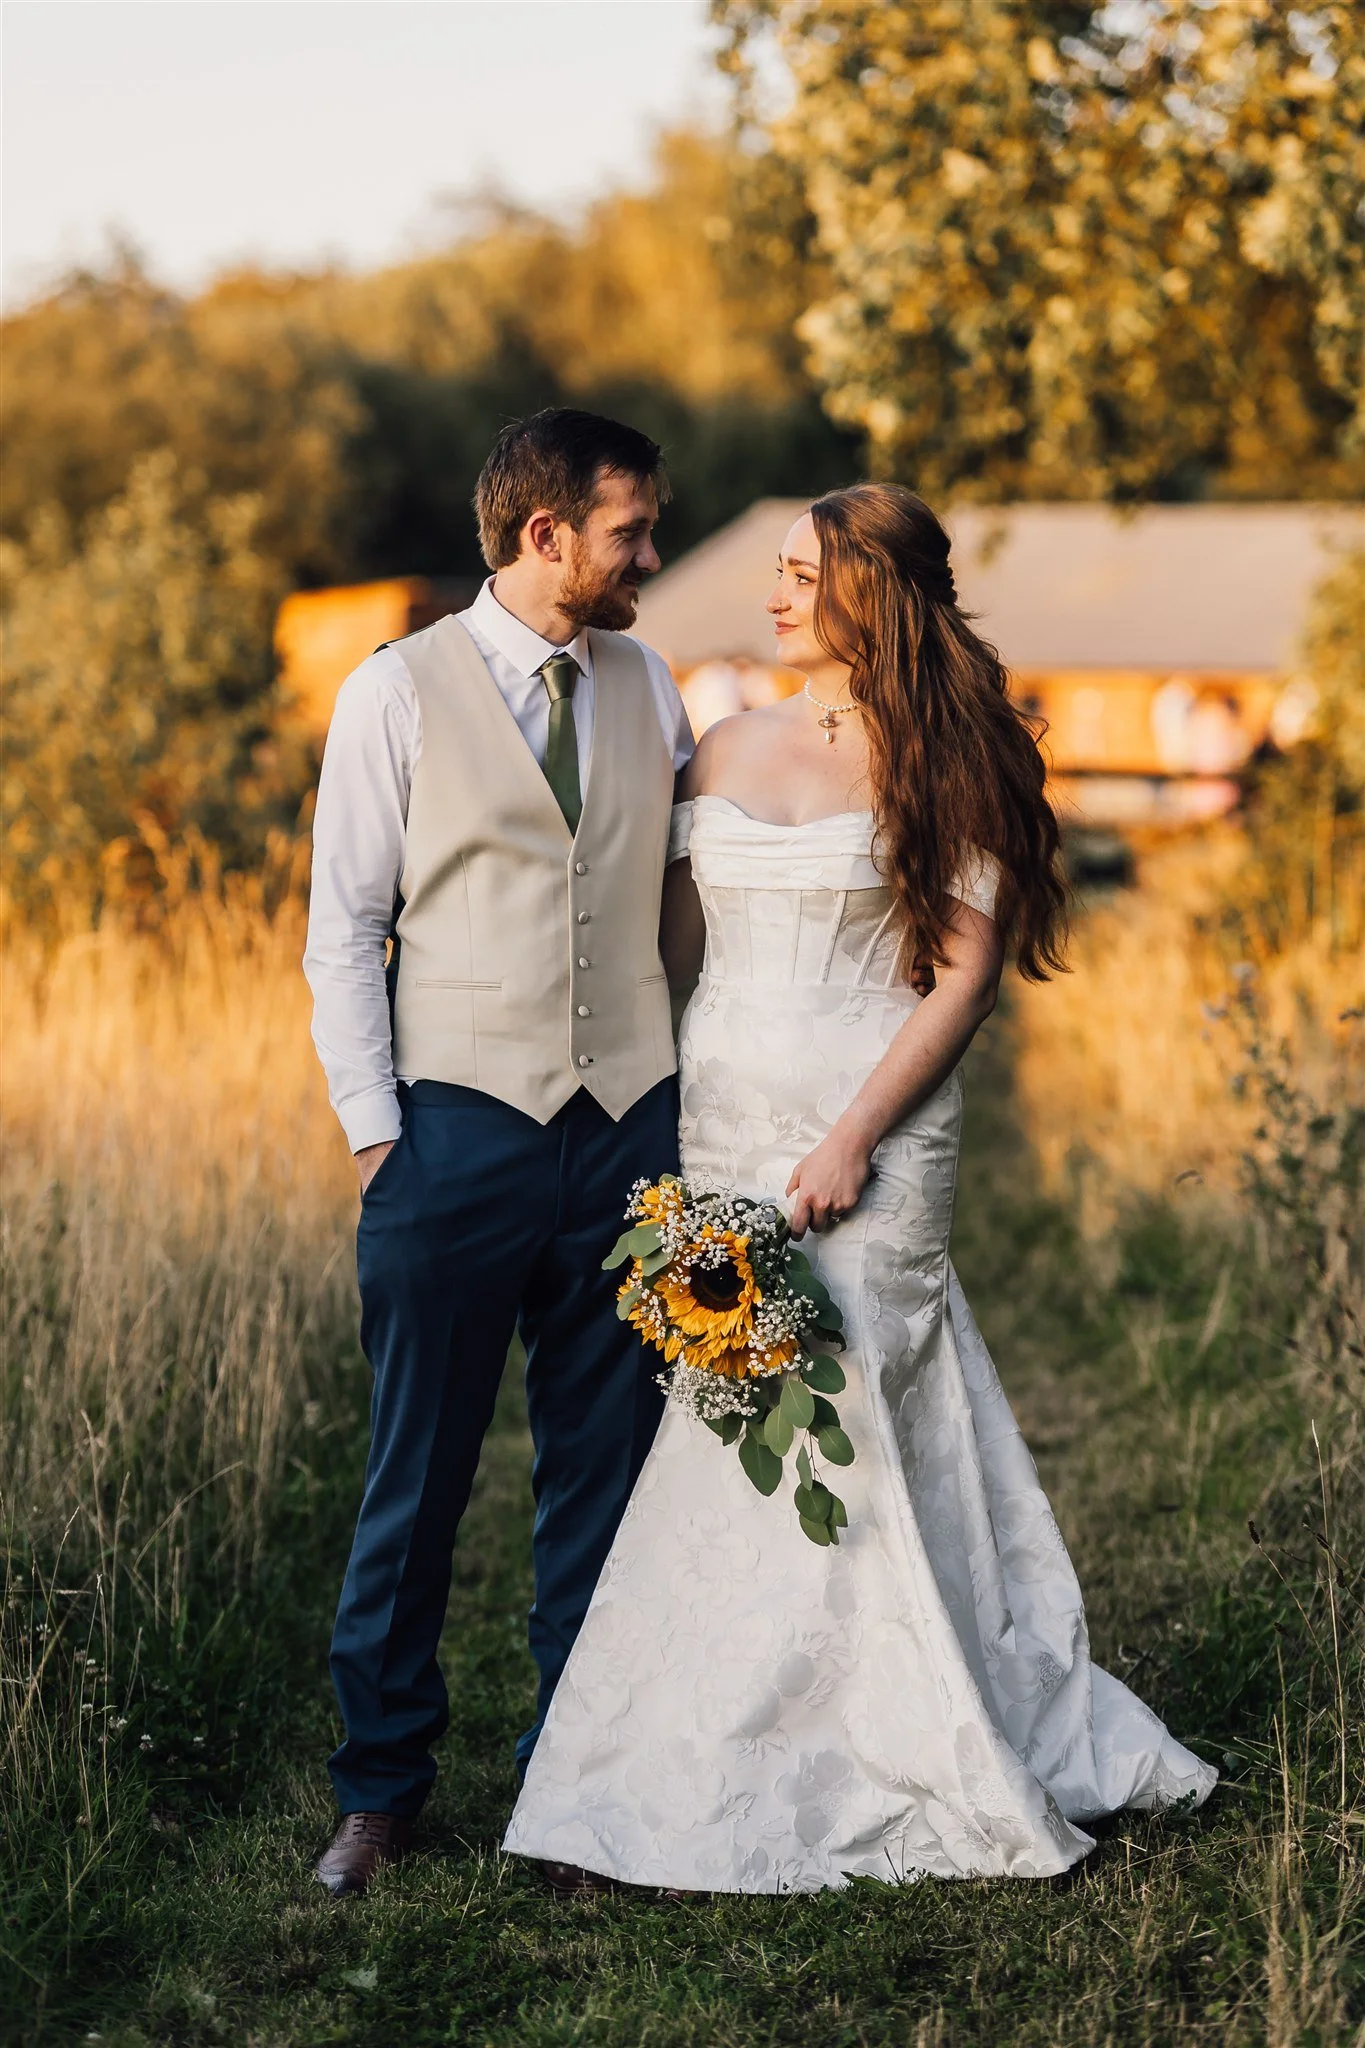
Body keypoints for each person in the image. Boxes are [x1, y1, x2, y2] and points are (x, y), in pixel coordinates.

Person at [504, 482, 1217, 1894]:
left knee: (857, 1401)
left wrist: (848, 1141)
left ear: (872, 592)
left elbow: (959, 984)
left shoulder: (948, 756)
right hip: (720, 1132)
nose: (773, 594)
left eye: (800, 572)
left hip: (871, 1135)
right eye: (772, 570)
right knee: (728, 1418)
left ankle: (909, 1732)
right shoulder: (721, 747)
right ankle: (693, 1750)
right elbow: (668, 951)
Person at [303, 409, 695, 1897]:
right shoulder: (392, 696)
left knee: (603, 1476)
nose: (650, 553)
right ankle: (381, 1792)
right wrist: (380, 1142)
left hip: (626, 1137)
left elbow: (668, 894)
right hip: (451, 1134)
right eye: (630, 531)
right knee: (419, 1476)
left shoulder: (648, 684)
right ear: (547, 537)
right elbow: (342, 933)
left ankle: (573, 1794)